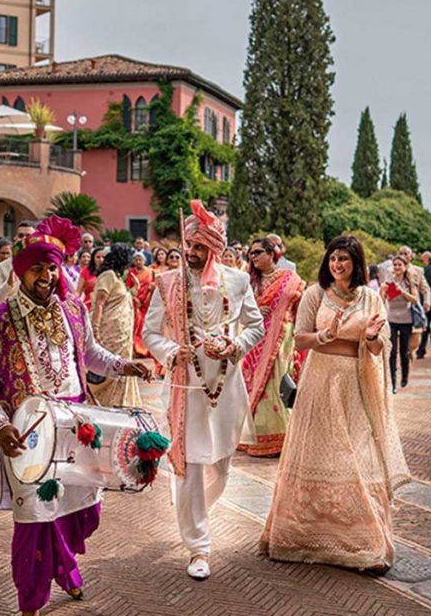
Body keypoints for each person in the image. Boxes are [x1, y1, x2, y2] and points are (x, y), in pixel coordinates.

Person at [0, 216, 152, 616]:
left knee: (81, 512)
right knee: (34, 520)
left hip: (77, 427)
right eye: (37, 269)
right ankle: (31, 611)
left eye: (52, 268)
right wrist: (1, 427)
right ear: (21, 272)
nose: (47, 277)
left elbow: (90, 353)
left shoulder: (73, 309)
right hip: (28, 434)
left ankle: (65, 565)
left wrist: (123, 364)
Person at [260, 235, 410, 571]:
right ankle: (300, 536)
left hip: (355, 384)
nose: (336, 265)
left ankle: (364, 539)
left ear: (356, 263)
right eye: (332, 259)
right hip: (319, 380)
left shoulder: (371, 298)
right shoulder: (315, 294)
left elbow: (377, 347)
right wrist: (324, 336)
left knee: (357, 453)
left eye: (343, 259)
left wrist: (372, 337)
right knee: (318, 450)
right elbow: (299, 339)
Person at [143, 200, 264, 580]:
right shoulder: (167, 283)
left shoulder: (239, 281)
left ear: (215, 250)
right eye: (189, 245)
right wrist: (169, 351)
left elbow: (255, 327)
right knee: (191, 464)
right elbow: (149, 333)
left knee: (221, 465)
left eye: (200, 247)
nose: (191, 253)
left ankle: (194, 513)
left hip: (226, 387)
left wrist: (236, 345)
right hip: (186, 386)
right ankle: (199, 546)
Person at [239, 237, 306, 457]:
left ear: (271, 254)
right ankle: (258, 437)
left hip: (283, 340)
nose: (253, 257)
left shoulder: (290, 279)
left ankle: (284, 437)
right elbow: (237, 310)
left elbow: (302, 308)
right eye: (251, 253)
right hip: (257, 340)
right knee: (257, 384)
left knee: (278, 382)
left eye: (258, 252)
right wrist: (256, 309)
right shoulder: (248, 282)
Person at [90, 244, 141, 407]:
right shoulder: (108, 275)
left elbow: (119, 300)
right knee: (111, 367)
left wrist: (134, 289)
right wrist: (95, 330)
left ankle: (122, 402)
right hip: (110, 331)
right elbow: (99, 303)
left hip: (122, 334)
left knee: (123, 366)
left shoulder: (117, 277)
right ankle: (105, 404)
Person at [381, 256, 420, 392]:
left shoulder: (410, 283)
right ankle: (392, 383)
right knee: (392, 351)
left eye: (399, 265)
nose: (397, 267)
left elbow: (415, 300)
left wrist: (402, 291)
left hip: (406, 320)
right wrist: (383, 291)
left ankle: (405, 376)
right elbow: (382, 299)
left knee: (404, 351)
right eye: (395, 265)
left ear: (405, 267)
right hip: (391, 319)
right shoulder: (388, 281)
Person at [0, 221, 37, 313]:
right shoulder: (3, 267)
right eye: (21, 236)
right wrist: (8, 285)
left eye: (28, 236)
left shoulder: (46, 265)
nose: (24, 239)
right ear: (15, 239)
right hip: (12, 319)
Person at [129, 251, 155, 358]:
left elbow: (154, 284)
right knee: (137, 325)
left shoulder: (150, 271)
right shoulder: (130, 272)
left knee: (147, 324)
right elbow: (128, 288)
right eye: (136, 260)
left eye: (140, 259)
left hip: (147, 302)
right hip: (136, 302)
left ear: (144, 261)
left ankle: (147, 349)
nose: (138, 262)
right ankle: (138, 349)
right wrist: (135, 299)